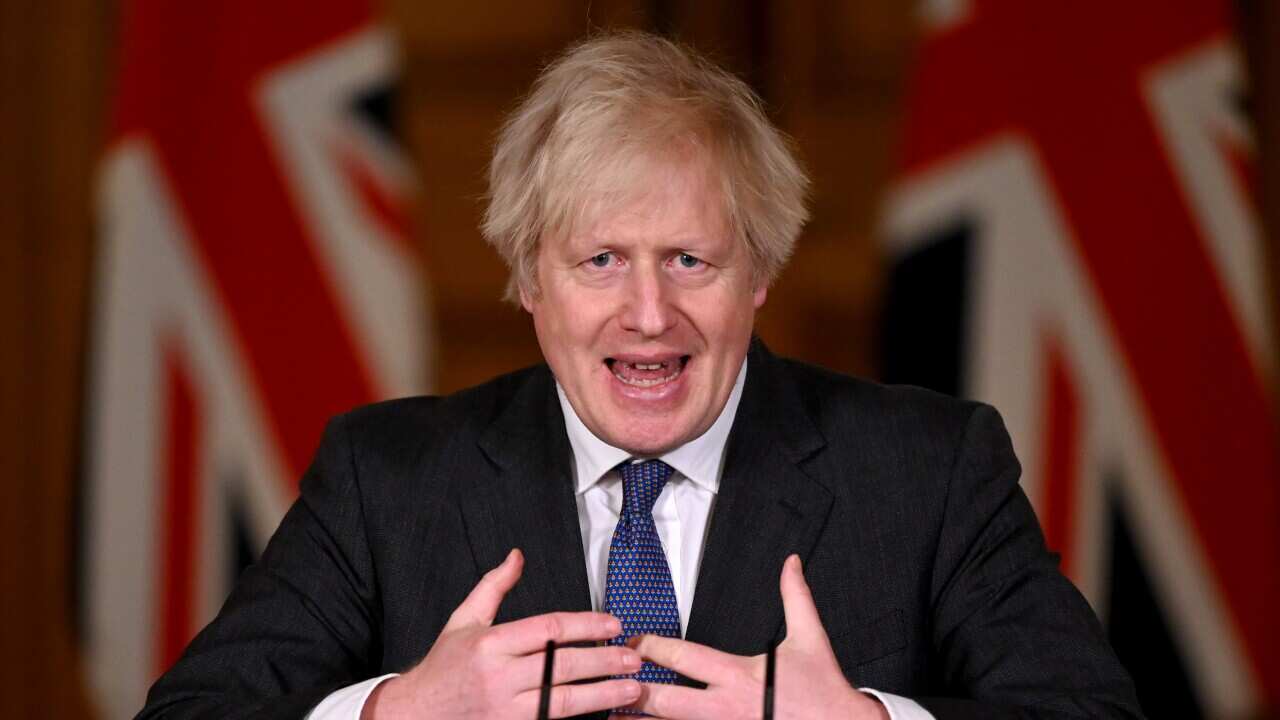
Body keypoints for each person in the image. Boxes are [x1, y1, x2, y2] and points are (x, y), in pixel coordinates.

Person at [137, 31, 1143, 720]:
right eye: (601, 261)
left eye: (690, 260)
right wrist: (397, 709)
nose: (649, 315)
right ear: (531, 278)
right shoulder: (383, 479)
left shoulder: (928, 470)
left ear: (758, 273)